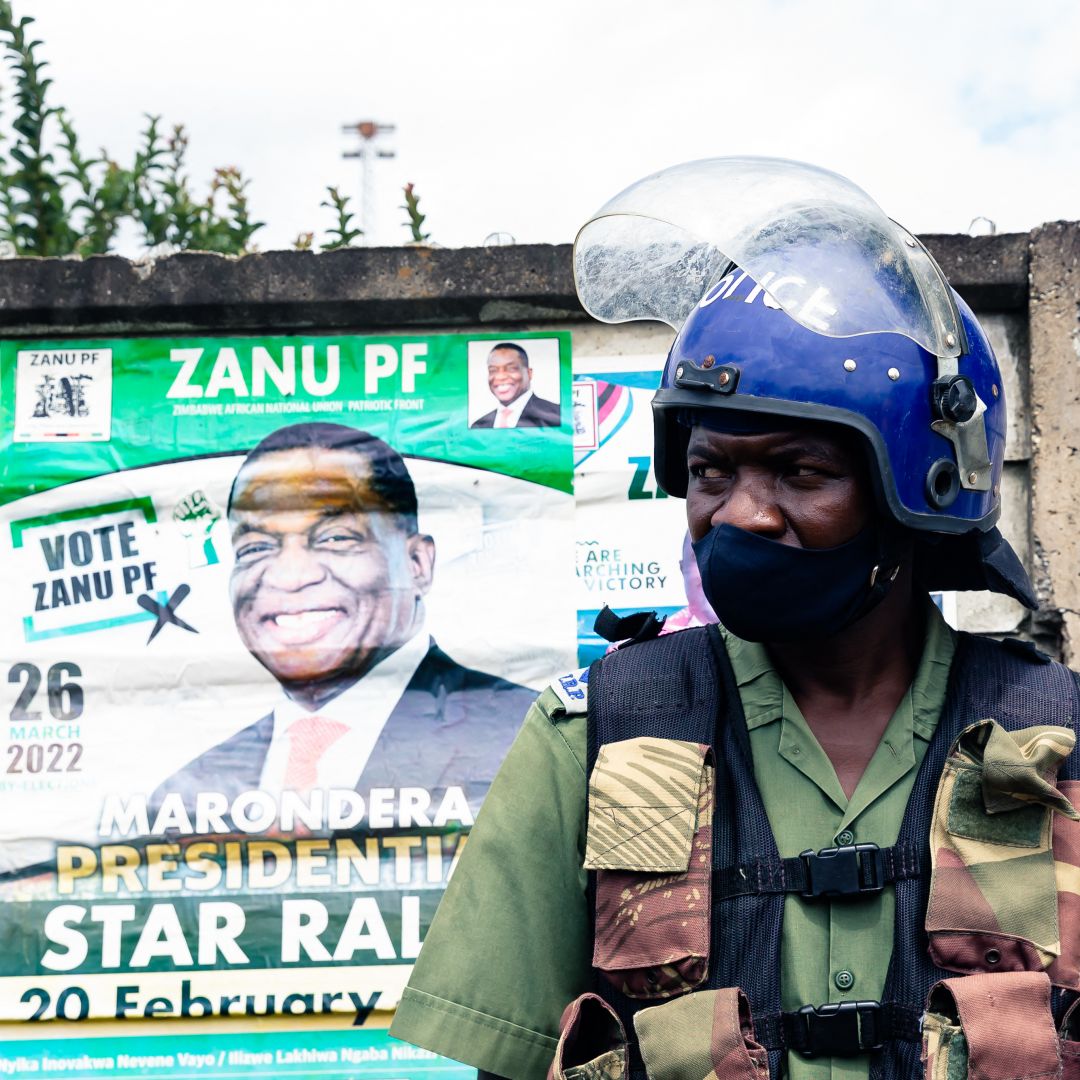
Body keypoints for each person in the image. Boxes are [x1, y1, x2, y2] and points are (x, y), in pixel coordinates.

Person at [390, 159, 1080, 1079]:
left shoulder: (1059, 741)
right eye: (713, 472)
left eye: (801, 473)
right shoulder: (598, 733)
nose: (742, 513)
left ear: (917, 494)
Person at [153, 421, 535, 820]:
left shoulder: (524, 742)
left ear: (417, 564)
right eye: (257, 546)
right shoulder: (186, 794)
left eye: (335, 538)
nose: (291, 576)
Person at [471, 342, 561, 428]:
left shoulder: (557, 416)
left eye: (511, 369)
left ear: (529, 373)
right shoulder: (479, 425)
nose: (500, 377)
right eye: (493, 370)